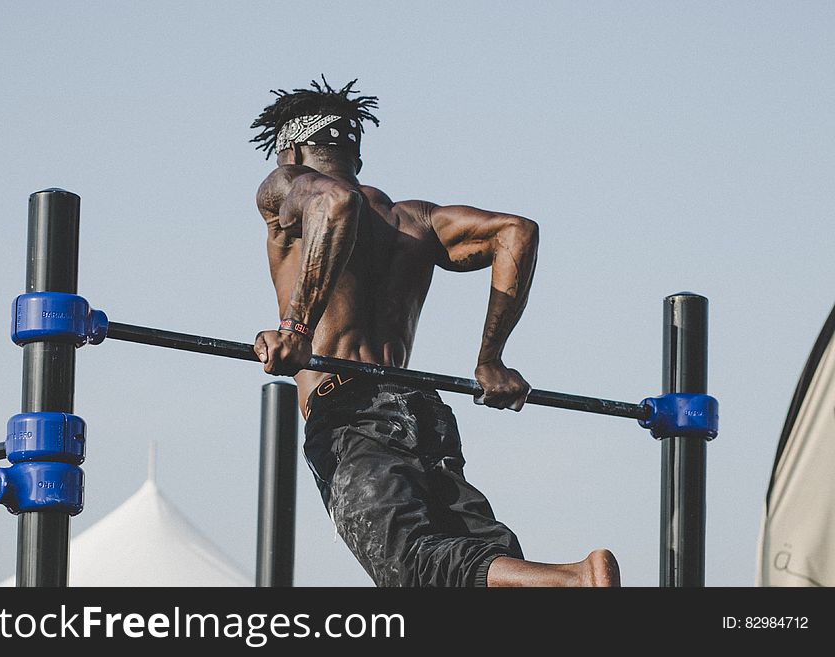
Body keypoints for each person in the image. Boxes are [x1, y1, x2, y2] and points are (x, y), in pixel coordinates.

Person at [249, 77, 620, 587]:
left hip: (349, 412)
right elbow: (515, 231)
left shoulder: (287, 185)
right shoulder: (412, 221)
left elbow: (335, 204)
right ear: (355, 154)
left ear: (289, 151)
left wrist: (295, 328)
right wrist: (491, 358)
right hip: (420, 410)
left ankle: (577, 578)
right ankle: (560, 586)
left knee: (411, 569)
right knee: (474, 568)